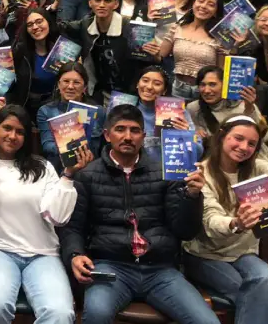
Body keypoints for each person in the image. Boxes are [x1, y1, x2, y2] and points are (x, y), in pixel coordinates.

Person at [58, 104, 218, 324]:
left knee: (207, 322)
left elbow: (185, 230)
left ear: (144, 136)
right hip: (111, 267)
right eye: (120, 129)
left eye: (134, 131)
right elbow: (73, 226)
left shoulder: (165, 172)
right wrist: (75, 254)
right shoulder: (87, 175)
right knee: (96, 314)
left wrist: (192, 196)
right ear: (106, 135)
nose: (127, 136)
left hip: (160, 269)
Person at [0, 105, 87, 324]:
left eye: (20, 131)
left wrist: (69, 175)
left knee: (61, 314)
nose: (12, 136)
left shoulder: (42, 167)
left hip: (43, 255)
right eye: (7, 128)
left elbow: (59, 217)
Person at [182, 115, 268, 324]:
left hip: (243, 253)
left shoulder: (258, 169)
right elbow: (211, 220)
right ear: (222, 136)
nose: (244, 147)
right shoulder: (201, 173)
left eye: (252, 143)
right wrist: (236, 224)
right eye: (238, 138)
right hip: (205, 254)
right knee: (260, 292)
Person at [54, 0, 134, 99]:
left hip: (125, 93)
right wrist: (56, 2)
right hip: (96, 91)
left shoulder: (129, 27)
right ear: (90, 2)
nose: (102, 5)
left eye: (107, 0)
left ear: (116, 4)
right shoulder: (85, 24)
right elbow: (56, 27)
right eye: (97, 0)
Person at [151, 0, 225, 99]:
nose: (203, 6)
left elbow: (221, 71)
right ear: (193, 3)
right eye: (201, 1)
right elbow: (161, 56)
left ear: (216, 11)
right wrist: (150, 45)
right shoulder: (176, 28)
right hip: (176, 88)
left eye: (211, 4)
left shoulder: (219, 36)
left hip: (205, 91)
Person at [185, 66, 268, 158]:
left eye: (212, 84)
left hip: (252, 159)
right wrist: (193, 133)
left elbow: (265, 136)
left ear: (225, 85)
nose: (206, 90)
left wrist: (250, 110)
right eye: (202, 85)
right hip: (216, 161)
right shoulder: (193, 108)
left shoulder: (244, 105)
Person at [37, 63, 106, 173]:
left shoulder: (98, 111)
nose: (70, 86)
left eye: (76, 82)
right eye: (66, 81)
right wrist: (70, 142)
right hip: (60, 170)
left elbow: (104, 147)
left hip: (91, 172)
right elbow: (47, 146)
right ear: (58, 85)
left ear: (84, 87)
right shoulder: (46, 111)